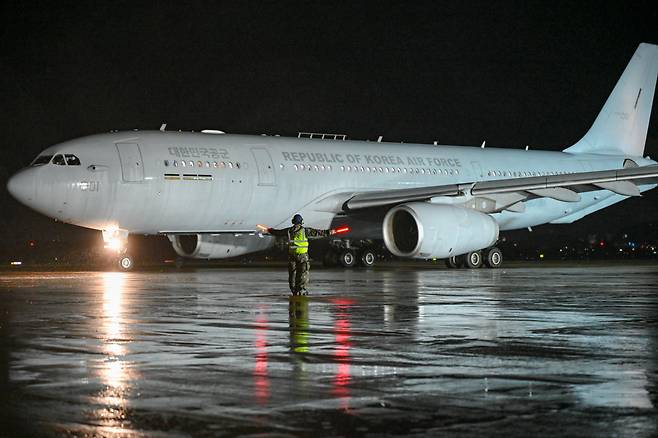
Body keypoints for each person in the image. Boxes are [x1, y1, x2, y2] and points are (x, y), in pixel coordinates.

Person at [267, 214, 335, 295]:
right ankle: (301, 289)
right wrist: (329, 232)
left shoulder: (289, 231)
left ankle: (293, 289)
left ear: (293, 221)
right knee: (303, 272)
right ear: (301, 221)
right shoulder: (305, 230)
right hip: (302, 256)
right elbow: (317, 232)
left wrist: (270, 230)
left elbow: (278, 232)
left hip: (292, 255)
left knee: (292, 273)